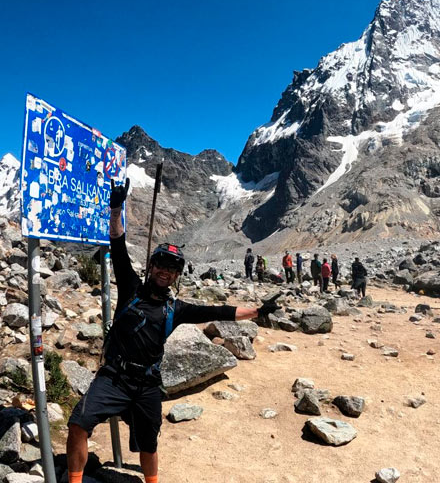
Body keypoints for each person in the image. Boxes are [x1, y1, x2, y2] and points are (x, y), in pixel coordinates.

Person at [67, 180, 280, 483]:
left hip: (148, 384)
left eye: (172, 268)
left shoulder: (176, 309)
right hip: (113, 377)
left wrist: (258, 312)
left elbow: (218, 312)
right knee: (79, 423)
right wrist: (116, 209)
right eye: (161, 265)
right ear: (151, 267)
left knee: (149, 443)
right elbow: (117, 244)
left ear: (177, 275)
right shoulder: (131, 288)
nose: (165, 271)